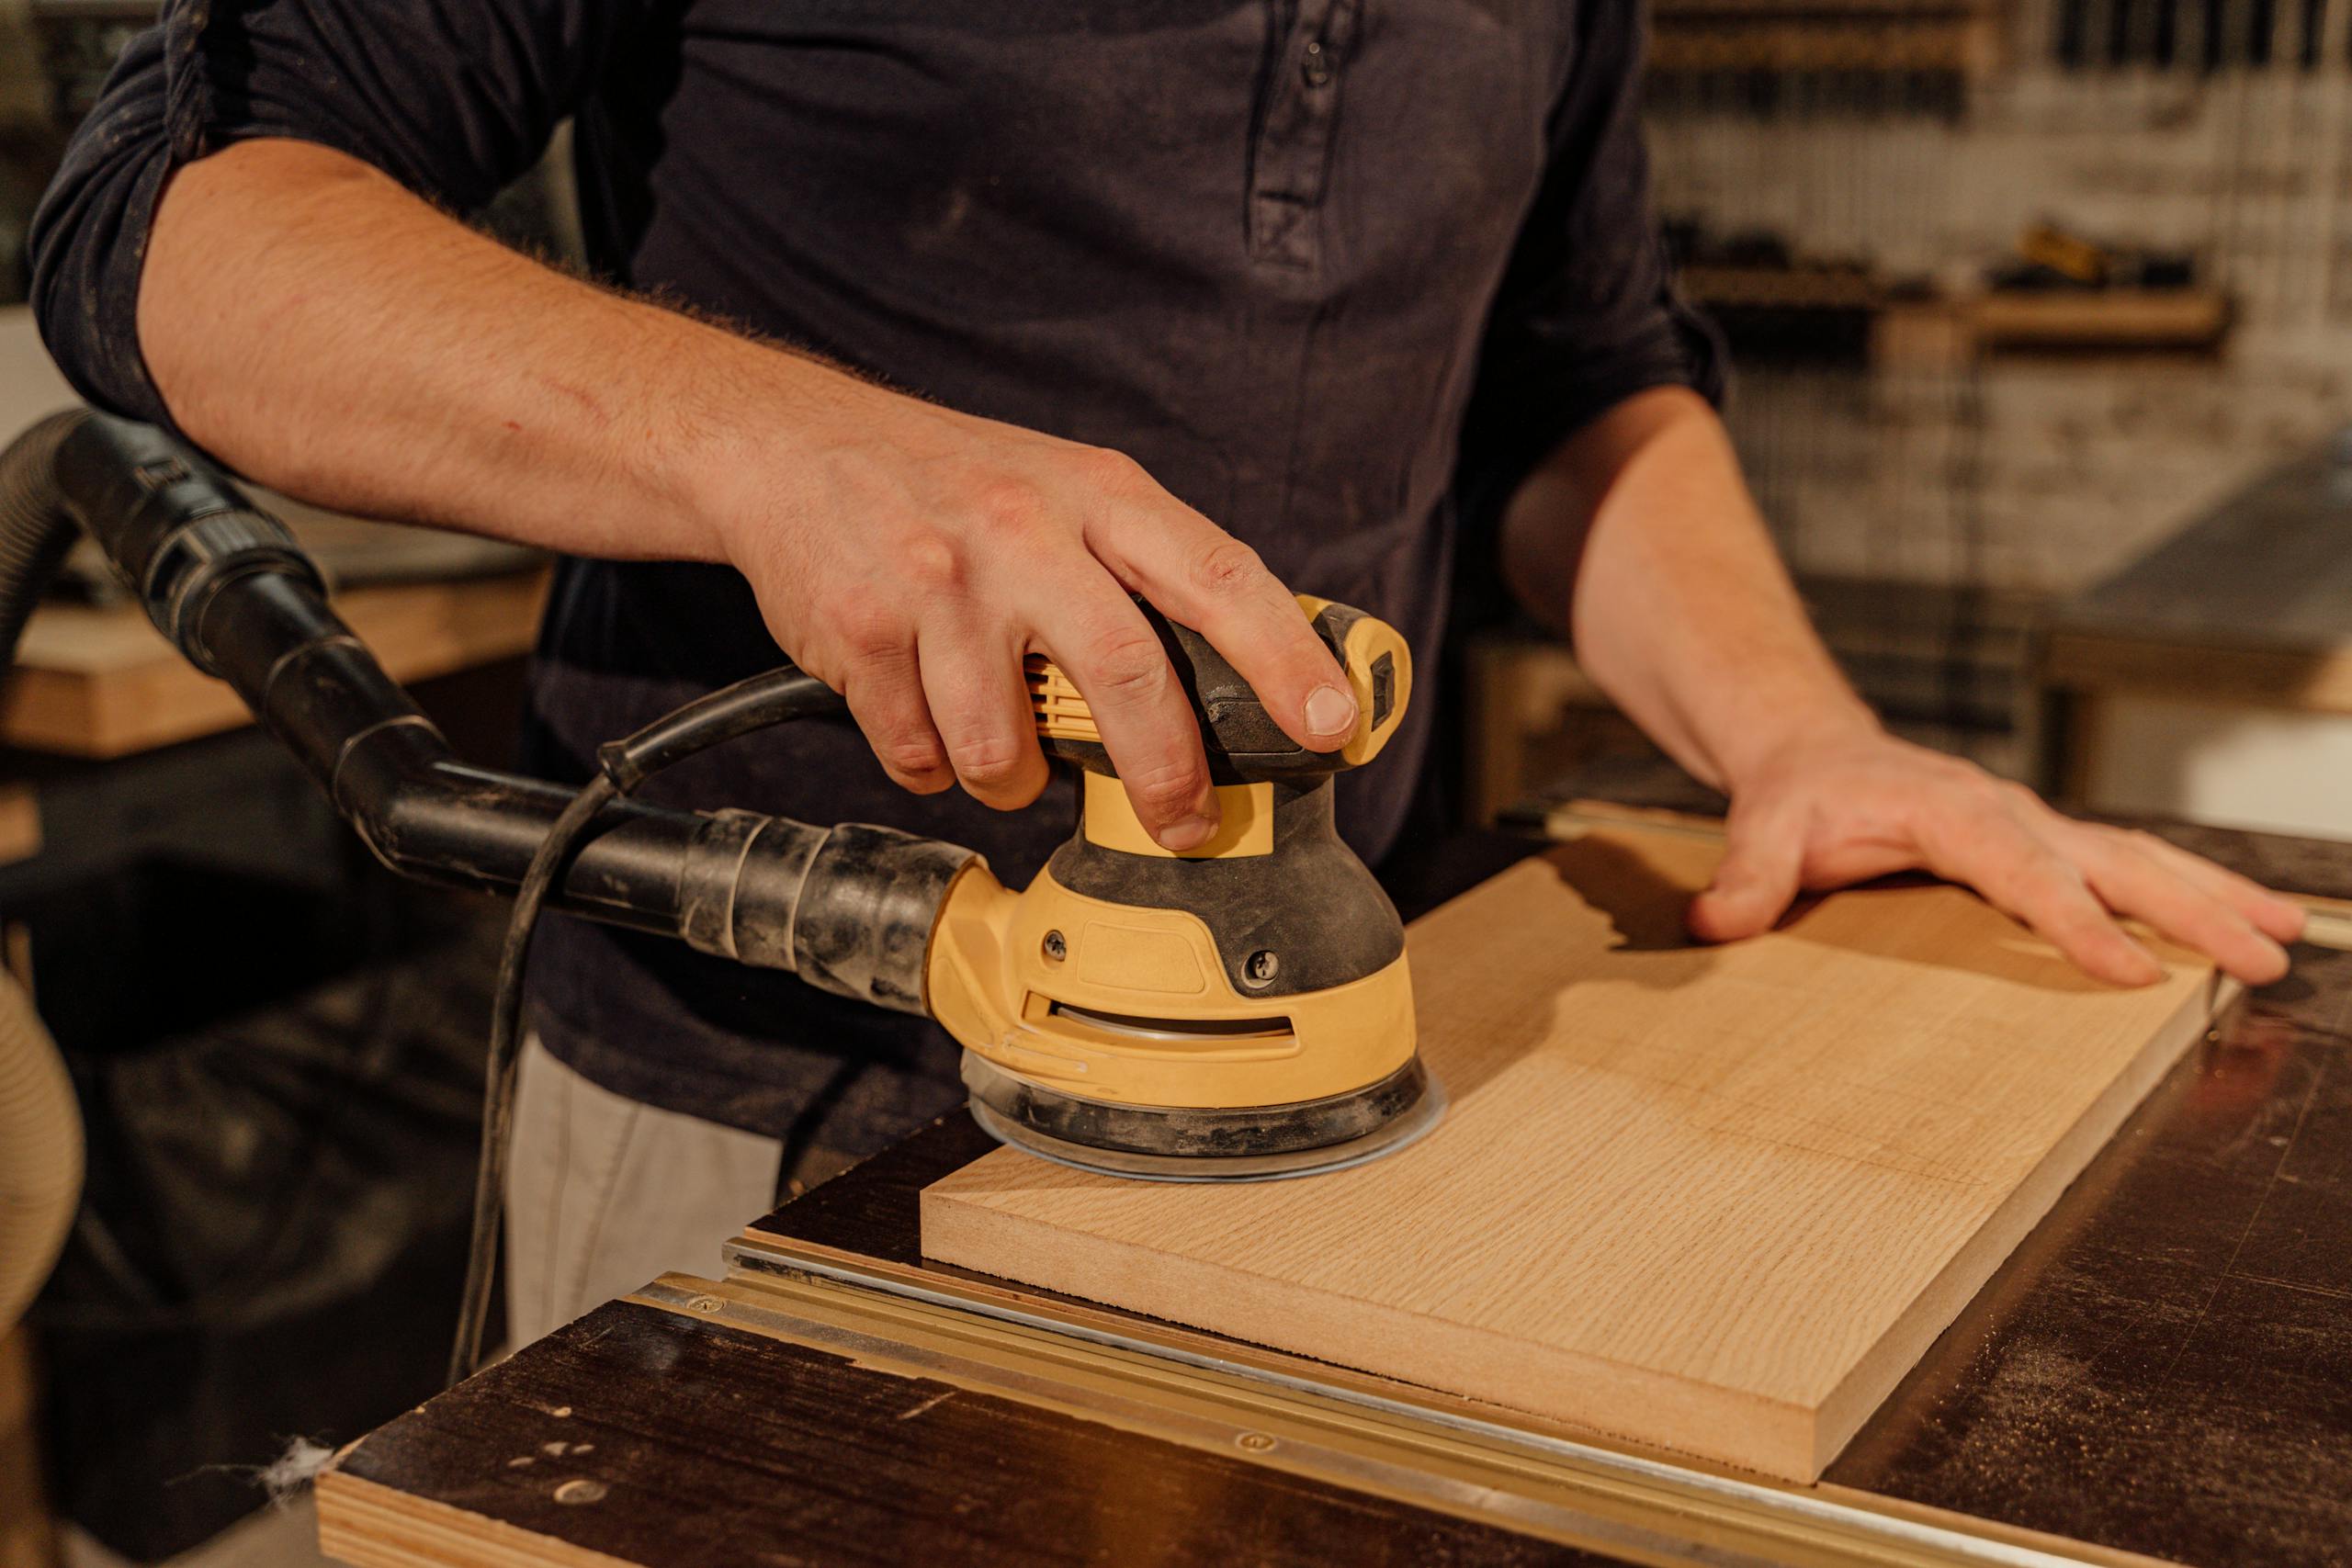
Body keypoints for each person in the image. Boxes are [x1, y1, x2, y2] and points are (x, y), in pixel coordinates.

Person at [30, 0, 2303, 1348]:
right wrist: (785, 448)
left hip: (1347, 1087)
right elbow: (170, 225)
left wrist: (1798, 733)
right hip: (740, 1069)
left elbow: (1579, 376)